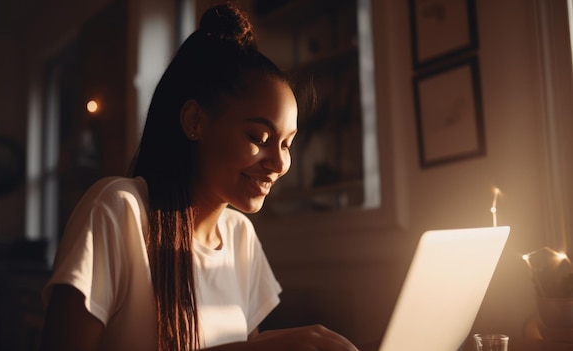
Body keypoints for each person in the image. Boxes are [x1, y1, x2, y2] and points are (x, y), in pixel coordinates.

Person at [40, 2, 359, 351]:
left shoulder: (241, 238)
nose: (280, 163)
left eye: (287, 144)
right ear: (195, 121)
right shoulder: (120, 210)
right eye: (259, 138)